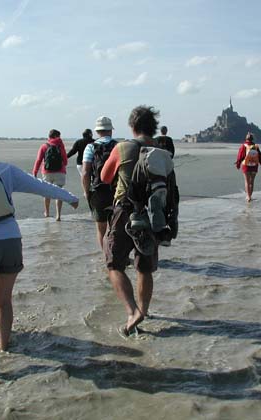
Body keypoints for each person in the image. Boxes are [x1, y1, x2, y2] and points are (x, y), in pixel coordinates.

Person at [0, 130, 78, 373]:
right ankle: (4, 348)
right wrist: (69, 197)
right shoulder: (5, 170)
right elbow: (39, 186)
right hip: (11, 239)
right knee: (3, 301)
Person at [100, 106, 160, 336]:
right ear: (153, 127)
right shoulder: (160, 150)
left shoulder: (122, 147)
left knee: (114, 264)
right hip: (153, 215)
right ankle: (144, 310)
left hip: (125, 211)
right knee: (145, 267)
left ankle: (132, 311)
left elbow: (105, 177)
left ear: (132, 126)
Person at [81, 117, 117, 249]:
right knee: (116, 227)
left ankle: (106, 258)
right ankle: (118, 257)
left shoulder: (90, 147)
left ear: (97, 132)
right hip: (116, 191)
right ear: (110, 130)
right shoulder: (118, 146)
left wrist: (86, 191)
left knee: (101, 229)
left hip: (98, 191)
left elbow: (85, 172)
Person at [32, 129, 69, 221]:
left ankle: (47, 212)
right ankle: (58, 215)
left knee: (47, 192)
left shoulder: (44, 146)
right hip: (60, 172)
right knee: (59, 193)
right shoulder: (60, 145)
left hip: (47, 172)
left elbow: (38, 160)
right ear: (57, 136)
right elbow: (65, 161)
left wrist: (35, 172)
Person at [235, 132, 261, 202]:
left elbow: (240, 156)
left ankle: (248, 196)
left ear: (246, 138)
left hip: (246, 166)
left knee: (247, 181)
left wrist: (238, 164)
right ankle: (250, 196)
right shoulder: (255, 146)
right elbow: (260, 157)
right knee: (252, 182)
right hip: (254, 166)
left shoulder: (243, 146)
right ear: (252, 139)